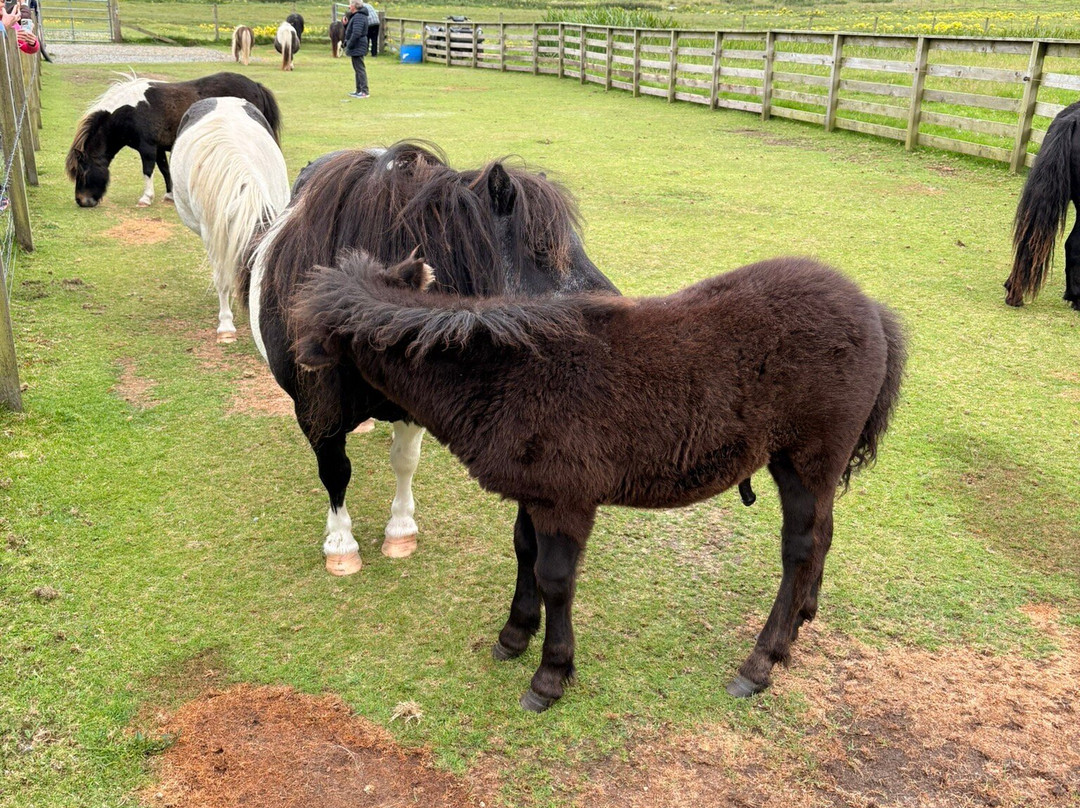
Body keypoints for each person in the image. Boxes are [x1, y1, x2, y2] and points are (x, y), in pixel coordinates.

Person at [343, 0, 369, 99]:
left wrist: (349, 44)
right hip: (357, 45)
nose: (349, 6)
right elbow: (352, 30)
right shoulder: (357, 16)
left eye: (350, 4)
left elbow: (356, 33)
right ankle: (359, 90)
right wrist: (346, 25)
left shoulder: (359, 16)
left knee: (360, 68)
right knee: (357, 68)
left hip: (358, 45)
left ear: (354, 6)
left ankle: (364, 91)